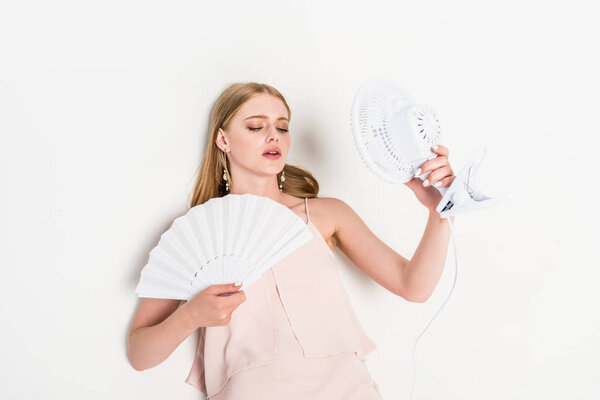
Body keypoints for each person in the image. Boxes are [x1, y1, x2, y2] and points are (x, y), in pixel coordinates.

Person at [127, 82, 456, 399]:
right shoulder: (194, 233)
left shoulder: (326, 215)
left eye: (282, 127)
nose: (273, 135)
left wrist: (439, 211)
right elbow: (140, 354)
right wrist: (192, 315)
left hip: (348, 389)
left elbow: (414, 287)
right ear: (223, 140)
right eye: (256, 126)